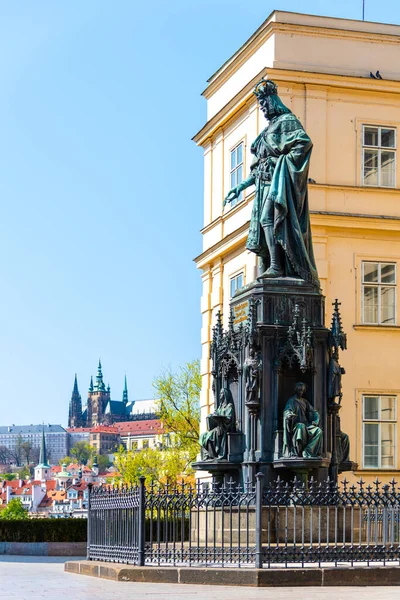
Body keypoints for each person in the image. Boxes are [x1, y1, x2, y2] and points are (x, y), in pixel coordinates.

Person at [224, 79, 319, 286]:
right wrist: (240, 187)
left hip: (279, 186)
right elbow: (258, 169)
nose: (263, 108)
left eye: (265, 103)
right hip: (263, 186)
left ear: (273, 100)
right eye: (261, 105)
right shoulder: (267, 131)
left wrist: (281, 163)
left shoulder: (287, 121)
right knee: (263, 223)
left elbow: (304, 143)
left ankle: (276, 266)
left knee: (270, 218)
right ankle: (271, 265)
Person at [282, 382, 323, 458]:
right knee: (300, 427)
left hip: (306, 424)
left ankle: (307, 452)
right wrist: (289, 414)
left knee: (318, 431)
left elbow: (313, 411)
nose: (300, 392)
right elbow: (287, 410)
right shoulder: (292, 401)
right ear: (296, 390)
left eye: (302, 390)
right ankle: (297, 452)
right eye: (299, 390)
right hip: (296, 424)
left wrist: (316, 419)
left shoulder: (305, 401)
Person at [200, 388, 236, 460]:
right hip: (218, 427)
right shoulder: (220, 407)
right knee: (203, 436)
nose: (220, 395)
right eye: (220, 393)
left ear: (226, 395)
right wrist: (211, 416)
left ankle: (213, 455)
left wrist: (220, 419)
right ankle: (207, 455)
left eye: (222, 393)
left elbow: (229, 418)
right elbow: (215, 413)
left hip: (225, 428)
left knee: (211, 435)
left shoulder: (229, 406)